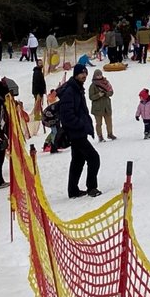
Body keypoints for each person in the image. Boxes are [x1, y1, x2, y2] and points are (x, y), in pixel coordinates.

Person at [58, 64, 101, 198]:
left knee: (78, 161)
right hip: (76, 133)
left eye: (85, 73)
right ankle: (92, 187)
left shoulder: (77, 89)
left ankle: (73, 190)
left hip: (79, 132)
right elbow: (66, 115)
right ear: (76, 74)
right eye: (82, 73)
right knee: (94, 158)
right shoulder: (70, 91)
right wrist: (81, 124)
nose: (84, 76)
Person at [88, 69, 115, 141]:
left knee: (109, 122)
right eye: (98, 75)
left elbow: (111, 92)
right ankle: (100, 136)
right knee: (99, 123)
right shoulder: (93, 85)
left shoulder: (106, 83)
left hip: (107, 106)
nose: (99, 76)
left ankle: (110, 134)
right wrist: (98, 95)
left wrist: (106, 94)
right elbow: (91, 97)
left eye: (100, 75)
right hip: (97, 108)